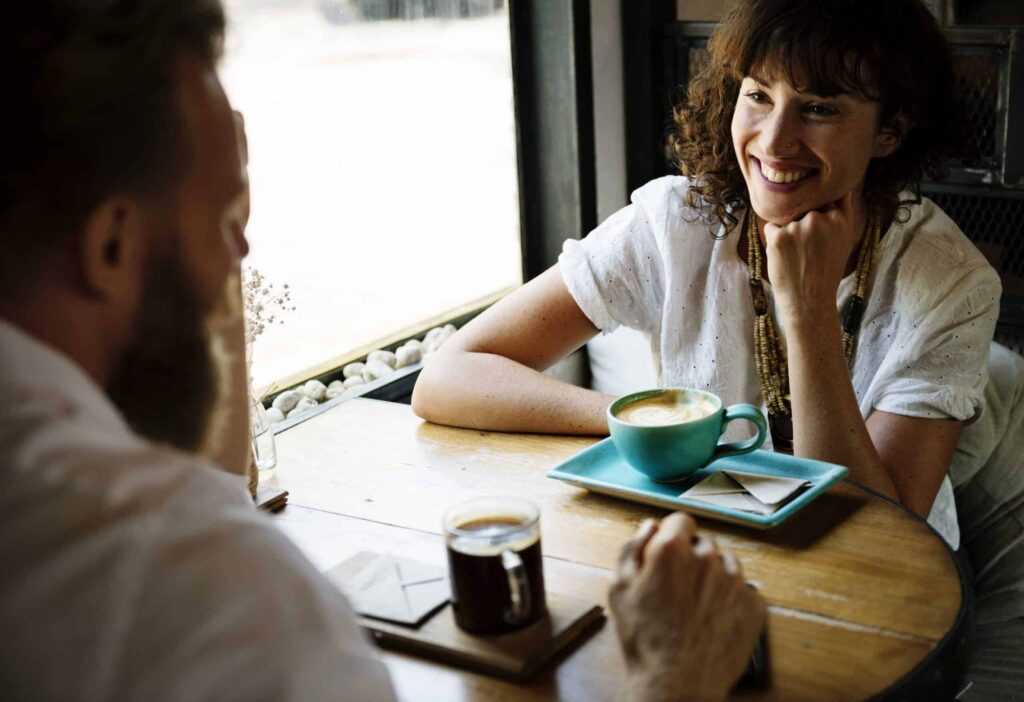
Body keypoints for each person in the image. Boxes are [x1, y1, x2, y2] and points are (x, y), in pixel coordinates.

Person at [0, 2, 764, 700]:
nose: (242, 255)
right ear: (110, 245)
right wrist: (673, 677)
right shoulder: (209, 586)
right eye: (225, 218)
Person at [412, 0, 1001, 550]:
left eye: (819, 108)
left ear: (889, 131)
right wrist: (654, 429)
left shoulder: (953, 282)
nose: (774, 141)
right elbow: (446, 378)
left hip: (888, 586)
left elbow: (877, 534)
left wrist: (807, 309)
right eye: (759, 96)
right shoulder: (677, 222)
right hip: (705, 549)